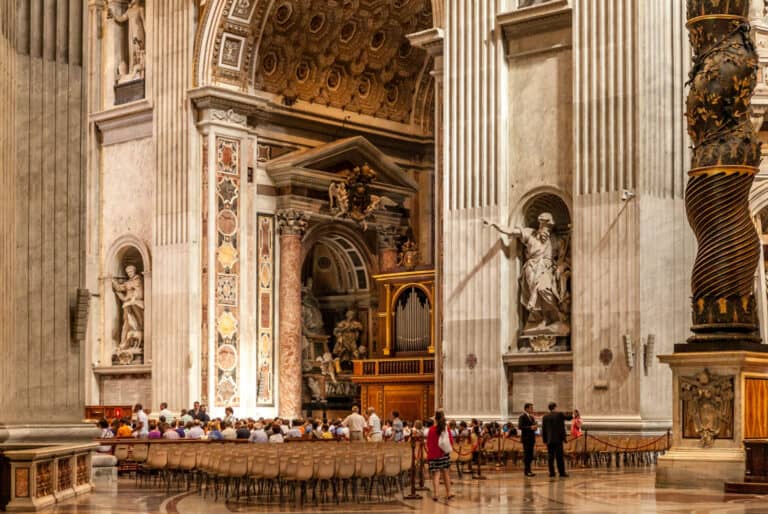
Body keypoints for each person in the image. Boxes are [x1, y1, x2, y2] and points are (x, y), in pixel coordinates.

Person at [426, 410, 454, 501]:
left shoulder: (431, 429)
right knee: (446, 473)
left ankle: (436, 494)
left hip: (434, 454)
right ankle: (449, 492)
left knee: (436, 475)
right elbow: (451, 442)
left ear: (435, 418)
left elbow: (428, 443)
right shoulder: (446, 429)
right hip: (444, 453)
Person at [542, 402, 573, 478]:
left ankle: (551, 473)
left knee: (550, 457)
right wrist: (573, 414)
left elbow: (543, 429)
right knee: (559, 457)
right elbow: (569, 418)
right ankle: (561, 473)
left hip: (549, 440)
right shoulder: (559, 414)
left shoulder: (545, 416)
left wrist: (545, 440)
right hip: (558, 439)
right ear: (555, 407)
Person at [518, 403, 538, 477]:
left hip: (531, 438)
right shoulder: (522, 417)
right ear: (526, 409)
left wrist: (535, 427)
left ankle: (529, 470)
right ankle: (526, 471)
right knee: (526, 455)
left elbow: (533, 426)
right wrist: (530, 427)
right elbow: (520, 426)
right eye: (531, 408)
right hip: (526, 439)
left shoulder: (532, 417)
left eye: (532, 408)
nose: (532, 409)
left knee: (530, 455)